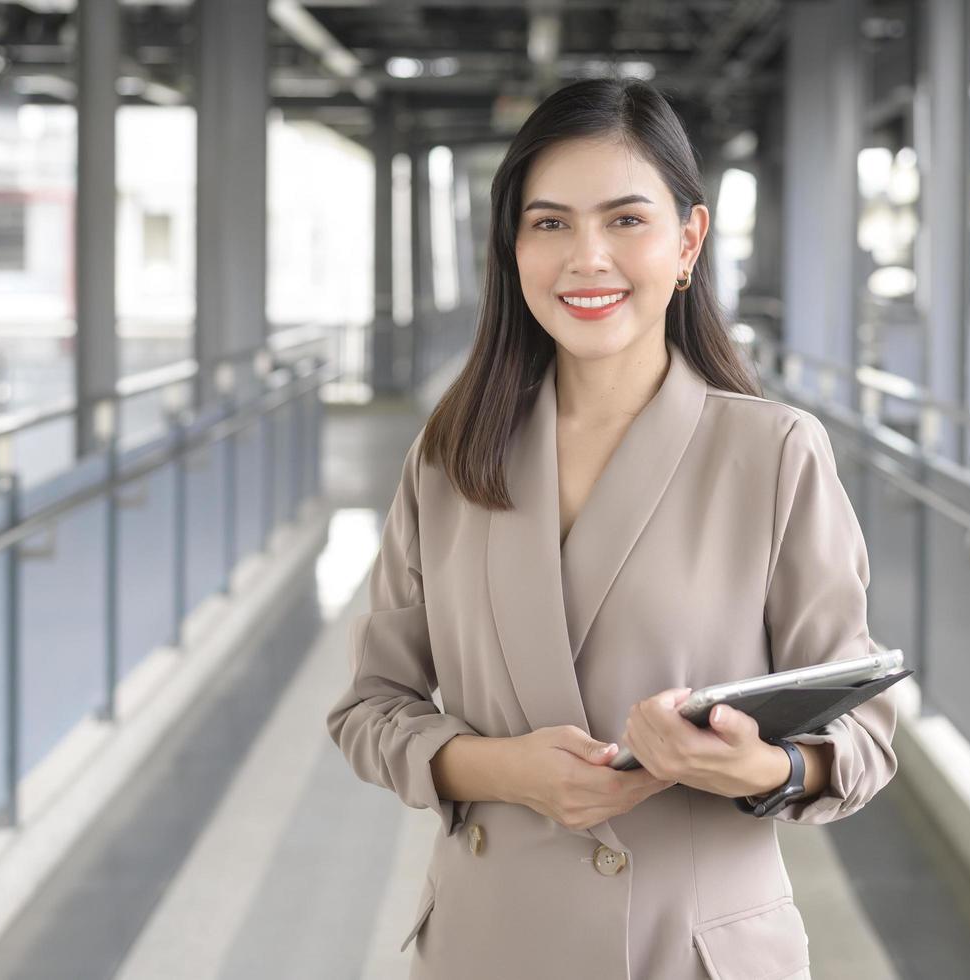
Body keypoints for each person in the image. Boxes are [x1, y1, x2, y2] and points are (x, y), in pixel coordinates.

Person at [326, 76, 899, 980]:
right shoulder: (450, 457)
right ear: (512, 250)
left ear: (687, 242)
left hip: (692, 951)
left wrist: (755, 769)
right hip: (490, 944)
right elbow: (371, 709)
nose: (585, 258)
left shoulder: (773, 452)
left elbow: (862, 735)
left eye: (625, 220)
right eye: (549, 223)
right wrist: (506, 771)